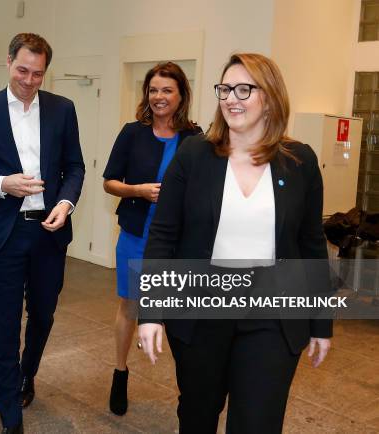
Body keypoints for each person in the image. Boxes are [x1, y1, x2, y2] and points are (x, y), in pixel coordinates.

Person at [138, 53, 332, 433]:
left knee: (258, 420)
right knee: (198, 413)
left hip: (272, 315)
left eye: (245, 88)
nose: (231, 98)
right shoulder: (194, 154)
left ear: (270, 98)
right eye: (225, 88)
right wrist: (151, 311)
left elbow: (311, 245)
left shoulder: (299, 161)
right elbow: (162, 235)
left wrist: (320, 321)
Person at [0, 33, 85, 434]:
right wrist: (2, 184)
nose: (29, 80)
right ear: (8, 62)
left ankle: (26, 375)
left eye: (38, 73)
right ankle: (9, 414)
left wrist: (65, 204)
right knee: (4, 325)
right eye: (22, 70)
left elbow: (75, 167)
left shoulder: (62, 109)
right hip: (3, 234)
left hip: (49, 233)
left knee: (44, 316)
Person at [102, 62, 201, 416]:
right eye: (154, 90)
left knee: (178, 315)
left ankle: (188, 391)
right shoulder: (132, 133)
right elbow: (109, 181)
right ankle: (120, 371)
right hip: (136, 235)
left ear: (181, 95)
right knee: (130, 307)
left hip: (179, 244)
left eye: (167, 90)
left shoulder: (196, 138)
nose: (159, 97)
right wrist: (137, 190)